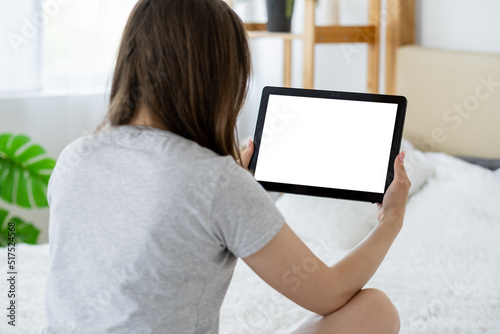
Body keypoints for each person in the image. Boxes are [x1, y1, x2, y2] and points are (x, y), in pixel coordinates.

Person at [41, 0, 411, 333]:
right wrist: (390, 221)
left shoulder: (75, 156)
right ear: (219, 77)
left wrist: (228, 185)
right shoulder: (217, 183)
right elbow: (329, 294)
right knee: (375, 310)